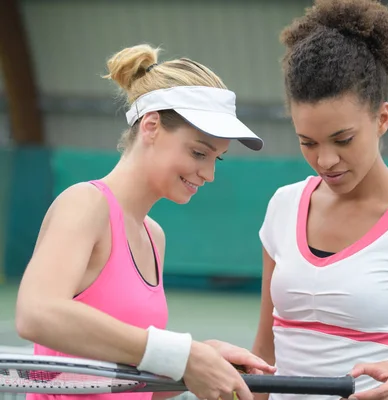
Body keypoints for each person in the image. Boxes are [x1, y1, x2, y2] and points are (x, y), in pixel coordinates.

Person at [15, 44, 275, 400]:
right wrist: (181, 355)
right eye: (199, 152)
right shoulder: (85, 204)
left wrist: (203, 358)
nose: (210, 173)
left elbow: (131, 387)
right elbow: (36, 313)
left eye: (218, 158)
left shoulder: (154, 237)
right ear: (151, 126)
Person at [252, 1, 388, 399]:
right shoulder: (282, 206)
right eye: (308, 142)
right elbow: (264, 354)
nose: (326, 160)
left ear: (382, 119)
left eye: (343, 139)